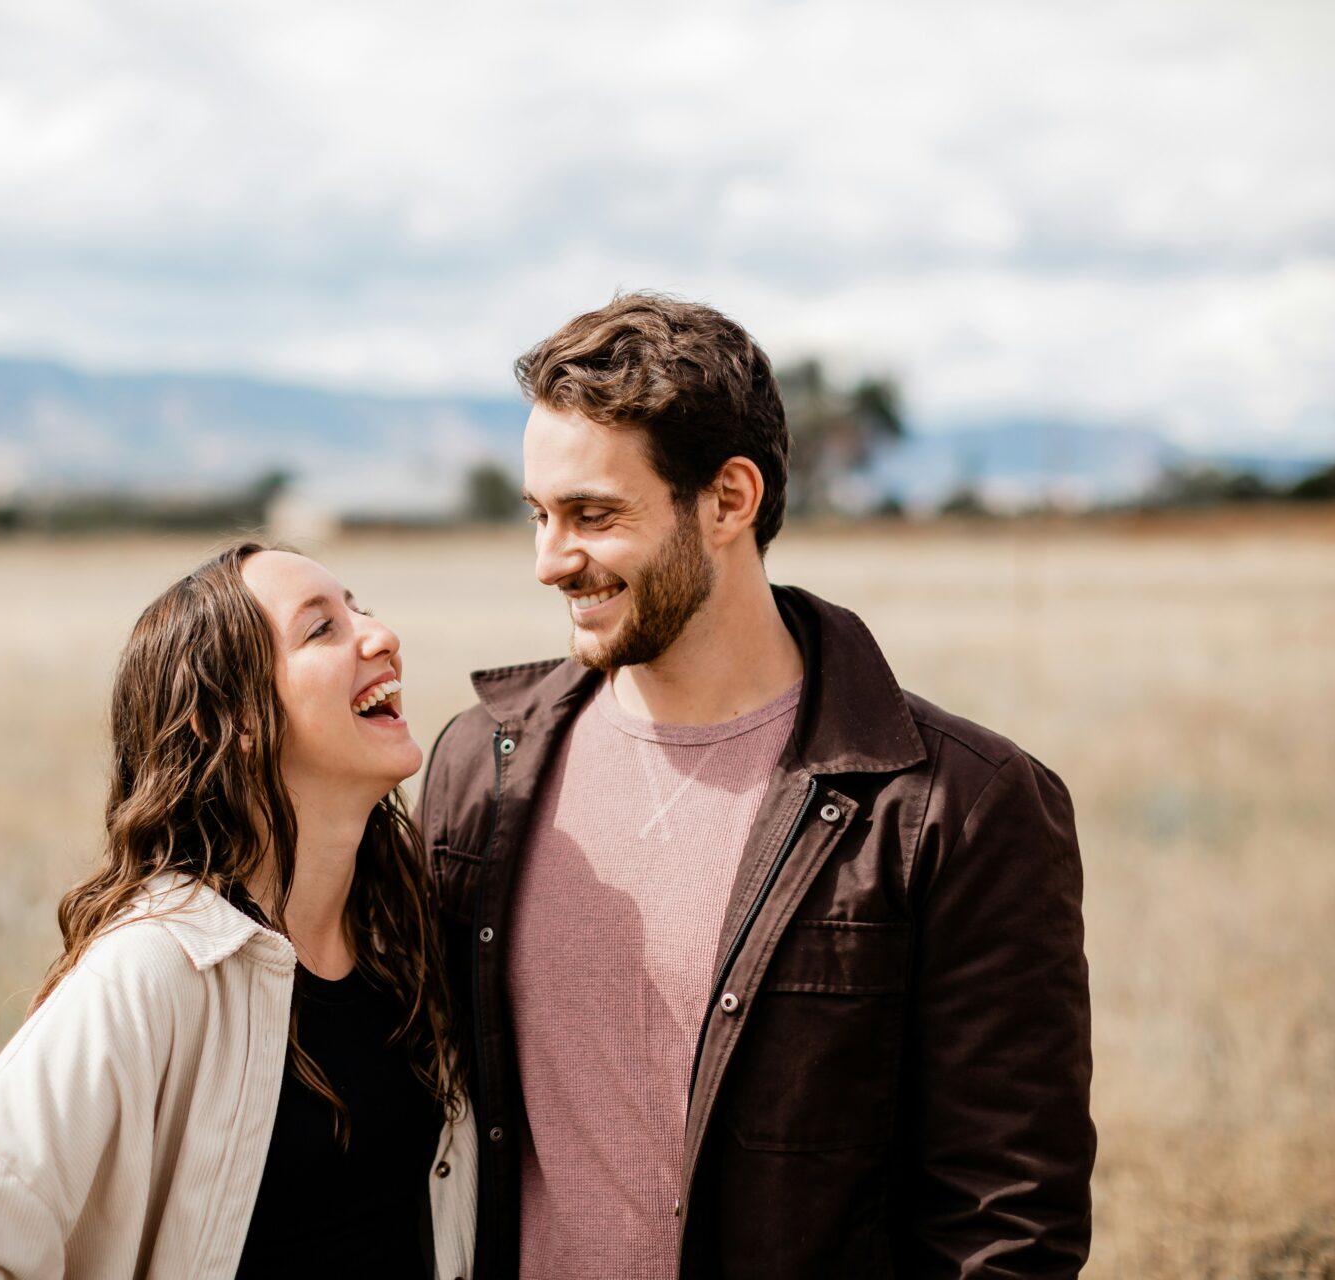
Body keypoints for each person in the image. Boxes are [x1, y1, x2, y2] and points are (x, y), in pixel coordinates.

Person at [421, 294, 1094, 1279]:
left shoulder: (956, 808)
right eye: (538, 515)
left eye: (593, 515)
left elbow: (1007, 1220)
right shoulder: (480, 766)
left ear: (730, 500)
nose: (549, 560)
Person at [0, 542, 476, 1278]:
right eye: (320, 629)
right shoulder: (158, 966)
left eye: (359, 608)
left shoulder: (404, 934)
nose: (379, 635)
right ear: (231, 719)